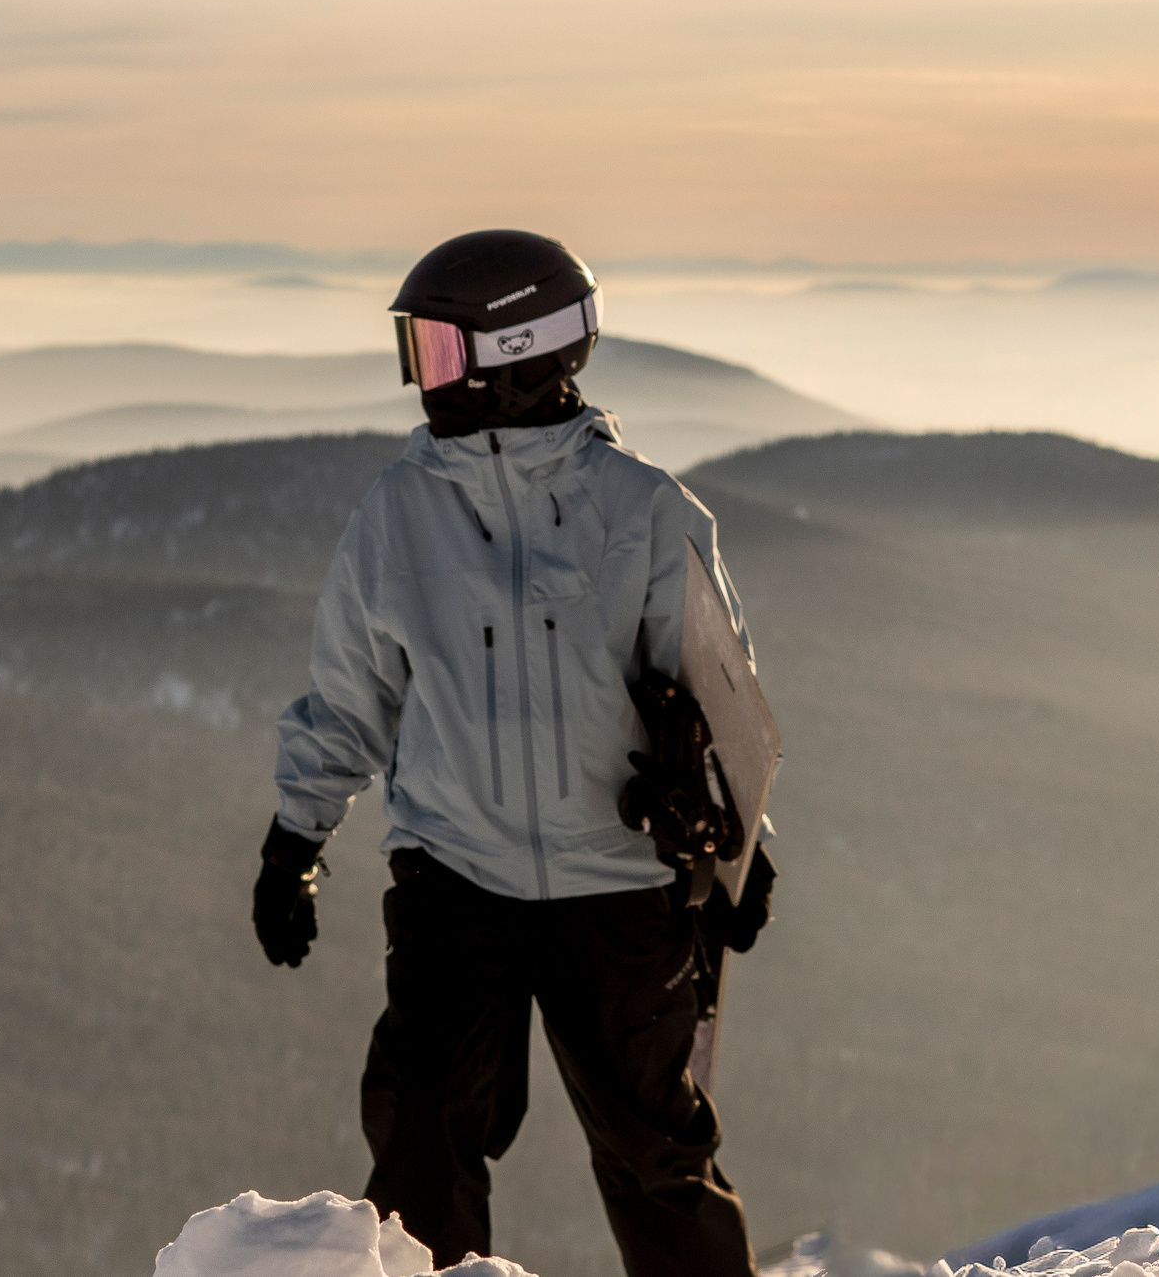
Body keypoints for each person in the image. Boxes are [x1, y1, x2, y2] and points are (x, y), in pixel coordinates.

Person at [252, 229, 775, 1277]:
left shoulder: (642, 512)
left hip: (618, 891)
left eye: (441, 353)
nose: (421, 381)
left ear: (527, 353)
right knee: (419, 1144)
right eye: (417, 354)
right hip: (457, 882)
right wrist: (291, 839)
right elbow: (351, 698)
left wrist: (744, 852)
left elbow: (721, 703)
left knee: (656, 1155)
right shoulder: (400, 515)